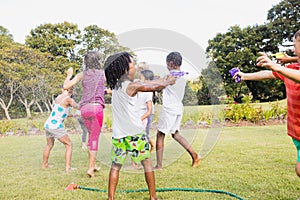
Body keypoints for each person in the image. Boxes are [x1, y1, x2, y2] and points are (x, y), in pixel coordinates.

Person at [104, 51, 176, 200]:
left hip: (119, 136)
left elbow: (148, 83)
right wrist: (168, 82)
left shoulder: (116, 85)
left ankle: (110, 198)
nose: (135, 67)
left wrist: (164, 79)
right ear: (125, 69)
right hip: (135, 134)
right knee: (147, 163)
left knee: (115, 166)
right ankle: (153, 197)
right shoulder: (131, 85)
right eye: (132, 64)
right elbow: (152, 87)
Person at [234, 29, 300, 177]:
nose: (292, 49)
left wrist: (278, 66)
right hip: (297, 131)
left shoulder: (288, 70)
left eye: (295, 45)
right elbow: (268, 74)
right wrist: (245, 76)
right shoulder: (291, 69)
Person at [154, 52, 201, 170]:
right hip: (178, 108)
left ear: (170, 63)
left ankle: (159, 166)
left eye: (167, 64)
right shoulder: (182, 76)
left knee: (160, 135)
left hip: (169, 109)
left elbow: (159, 88)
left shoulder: (170, 75)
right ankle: (194, 155)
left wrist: (156, 82)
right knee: (175, 134)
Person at [63, 51, 105, 178]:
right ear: (98, 61)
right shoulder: (103, 74)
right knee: (94, 139)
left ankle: (93, 165)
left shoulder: (82, 74)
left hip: (84, 109)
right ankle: (91, 168)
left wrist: (69, 75)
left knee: (90, 137)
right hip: (96, 108)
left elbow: (66, 86)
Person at [43, 86, 79, 172]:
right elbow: (79, 107)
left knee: (49, 145)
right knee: (69, 144)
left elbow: (60, 111)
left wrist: (72, 115)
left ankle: (44, 165)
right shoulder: (68, 100)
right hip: (55, 126)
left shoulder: (59, 97)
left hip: (48, 124)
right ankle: (68, 168)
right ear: (72, 91)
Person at [140, 70, 156, 151]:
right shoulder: (143, 88)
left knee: (144, 132)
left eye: (141, 77)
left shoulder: (148, 90)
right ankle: (150, 143)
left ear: (147, 79)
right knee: (142, 132)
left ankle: (146, 149)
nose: (140, 79)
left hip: (148, 113)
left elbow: (149, 107)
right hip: (143, 112)